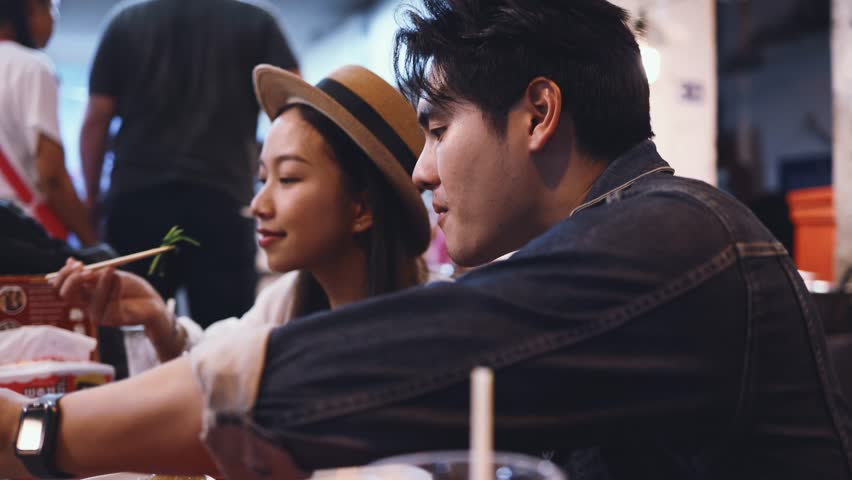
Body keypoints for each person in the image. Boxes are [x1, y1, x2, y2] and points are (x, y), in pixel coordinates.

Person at [1, 0, 851, 479]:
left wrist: (34, 434)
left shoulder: (674, 237)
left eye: (439, 128)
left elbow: (369, 370)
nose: (422, 171)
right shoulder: (629, 237)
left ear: (539, 114)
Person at [54, 64, 434, 373]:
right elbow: (216, 359)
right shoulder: (289, 300)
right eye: (262, 179)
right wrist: (156, 316)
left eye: (287, 178)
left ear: (361, 210)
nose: (258, 205)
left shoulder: (426, 340)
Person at [80, 0, 299, 329]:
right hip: (222, 202)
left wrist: (93, 200)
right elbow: (295, 105)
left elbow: (96, 120)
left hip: (138, 204)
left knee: (129, 329)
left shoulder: (125, 21)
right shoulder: (257, 21)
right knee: (226, 338)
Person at [0, 0, 97, 245]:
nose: (54, 19)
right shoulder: (31, 67)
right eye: (53, 8)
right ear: (31, 8)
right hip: (19, 238)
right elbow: (52, 176)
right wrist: (92, 243)